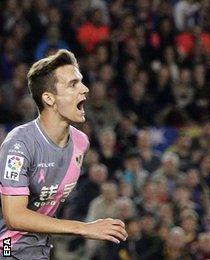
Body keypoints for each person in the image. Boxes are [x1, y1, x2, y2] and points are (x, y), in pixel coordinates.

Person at [0, 49, 127, 259]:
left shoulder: (80, 142)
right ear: (49, 98)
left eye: (82, 81)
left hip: (41, 248)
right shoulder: (19, 145)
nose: (85, 89)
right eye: (73, 84)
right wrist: (84, 228)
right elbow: (14, 217)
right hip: (6, 246)